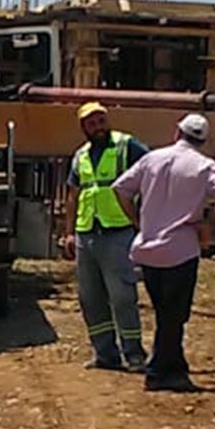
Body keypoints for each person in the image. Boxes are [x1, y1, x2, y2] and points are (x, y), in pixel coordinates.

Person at [112, 113, 215, 393]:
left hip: (147, 250)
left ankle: (176, 368)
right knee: (174, 315)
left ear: (176, 132)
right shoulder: (205, 165)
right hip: (180, 250)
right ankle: (157, 373)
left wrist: (138, 222)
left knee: (166, 313)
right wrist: (210, 224)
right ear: (203, 141)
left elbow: (120, 188)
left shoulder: (152, 159)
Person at [61, 101, 149, 371]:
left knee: (122, 295)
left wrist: (143, 220)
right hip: (87, 234)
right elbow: (74, 196)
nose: (97, 127)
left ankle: (134, 354)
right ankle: (105, 353)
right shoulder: (81, 155)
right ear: (83, 127)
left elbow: (151, 171)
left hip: (117, 233)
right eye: (91, 123)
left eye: (100, 121)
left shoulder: (127, 146)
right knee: (91, 297)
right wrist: (69, 233)